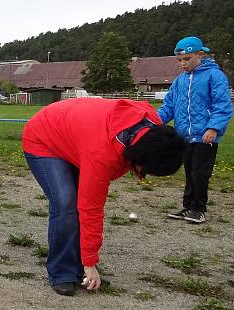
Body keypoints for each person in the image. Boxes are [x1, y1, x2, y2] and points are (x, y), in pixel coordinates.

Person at [22, 98, 187, 296]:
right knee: (67, 204)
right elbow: (91, 208)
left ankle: (78, 269)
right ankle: (62, 272)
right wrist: (91, 262)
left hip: (76, 136)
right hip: (44, 138)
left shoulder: (151, 125)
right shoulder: (101, 153)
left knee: (75, 205)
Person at [158, 36, 232, 224]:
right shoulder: (179, 81)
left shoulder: (215, 76)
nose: (182, 64)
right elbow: (169, 107)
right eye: (179, 60)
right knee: (190, 172)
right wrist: (153, 120)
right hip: (185, 137)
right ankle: (188, 206)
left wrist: (214, 128)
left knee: (200, 173)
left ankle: (199, 209)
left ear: (200, 54)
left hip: (205, 136)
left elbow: (222, 105)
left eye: (187, 59)